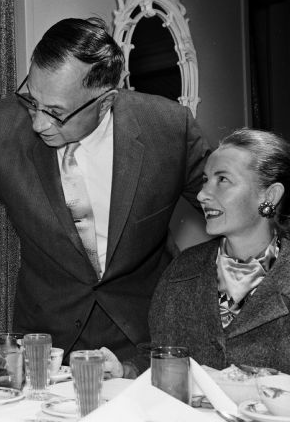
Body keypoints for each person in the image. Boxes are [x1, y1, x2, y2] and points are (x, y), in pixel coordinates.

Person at [0, 17, 211, 371]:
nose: (38, 124)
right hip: (46, 346)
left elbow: (227, 203)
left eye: (56, 113)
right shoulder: (1, 128)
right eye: (32, 101)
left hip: (143, 340)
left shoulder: (169, 127)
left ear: (106, 101)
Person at [110, 128, 290, 376]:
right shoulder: (182, 270)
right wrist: (123, 371)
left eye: (222, 180)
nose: (202, 195)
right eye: (205, 180)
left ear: (269, 196)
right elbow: (161, 359)